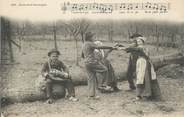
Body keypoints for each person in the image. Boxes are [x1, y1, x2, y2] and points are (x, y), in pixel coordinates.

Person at [82, 32, 117, 99]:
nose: (94, 38)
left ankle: (91, 95)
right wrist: (110, 47)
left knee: (91, 79)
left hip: (86, 63)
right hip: (92, 62)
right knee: (105, 69)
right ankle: (103, 85)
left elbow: (82, 55)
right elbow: (99, 47)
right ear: (89, 37)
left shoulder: (84, 44)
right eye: (93, 37)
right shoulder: (89, 43)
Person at [127, 35, 161, 101]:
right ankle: (140, 94)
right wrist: (124, 48)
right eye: (137, 41)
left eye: (140, 41)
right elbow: (131, 50)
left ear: (143, 41)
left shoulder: (144, 48)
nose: (138, 42)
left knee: (145, 78)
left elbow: (139, 51)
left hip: (145, 63)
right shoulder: (138, 47)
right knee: (139, 78)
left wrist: (127, 48)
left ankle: (147, 94)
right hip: (140, 63)